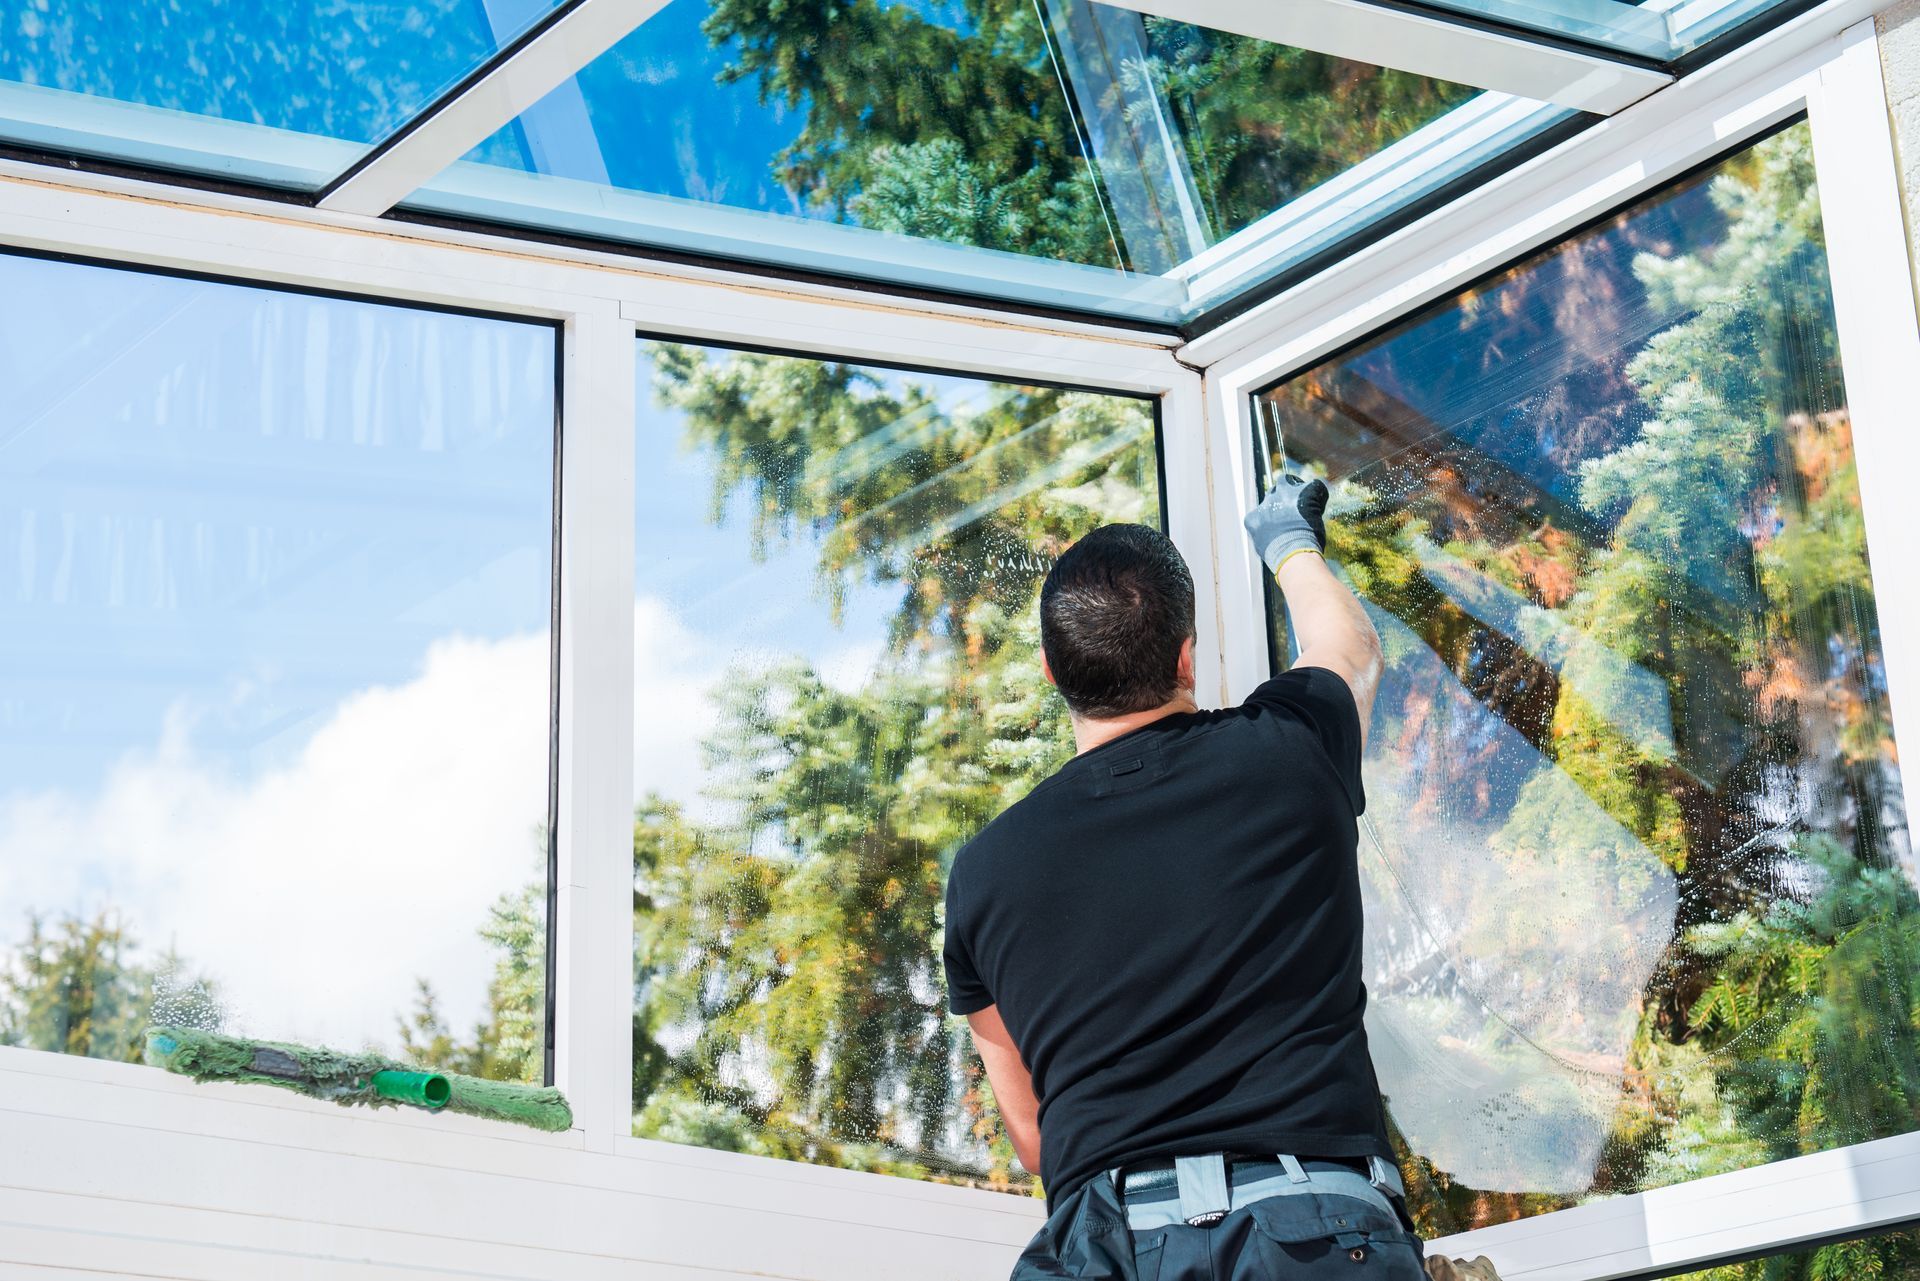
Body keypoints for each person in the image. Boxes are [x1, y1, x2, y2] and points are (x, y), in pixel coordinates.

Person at [941, 476, 1499, 1279]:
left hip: (1104, 1249)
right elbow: (1349, 649)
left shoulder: (984, 872)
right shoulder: (1286, 751)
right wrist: (1287, 540)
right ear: (1185, 657)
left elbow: (1031, 1136)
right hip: (1308, 1231)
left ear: (1050, 670)